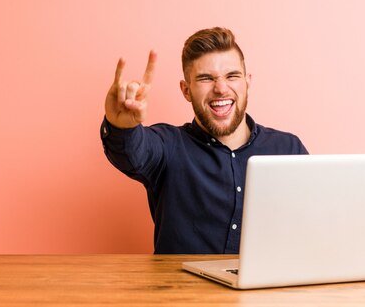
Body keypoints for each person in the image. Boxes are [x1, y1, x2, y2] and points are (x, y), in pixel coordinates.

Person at [100, 27, 308, 254]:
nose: (220, 88)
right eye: (206, 78)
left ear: (247, 82)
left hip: (267, 289)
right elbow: (132, 153)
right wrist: (122, 126)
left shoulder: (288, 149)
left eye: (232, 76)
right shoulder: (168, 147)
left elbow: (316, 220)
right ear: (186, 90)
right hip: (182, 290)